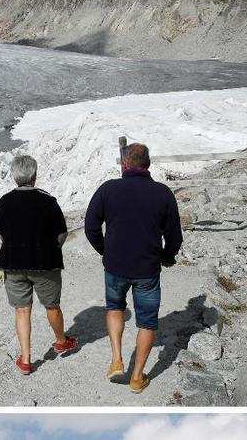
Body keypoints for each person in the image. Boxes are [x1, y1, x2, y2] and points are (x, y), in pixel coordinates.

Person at [84, 143, 183, 393]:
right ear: (147, 165)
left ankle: (117, 359)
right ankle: (137, 377)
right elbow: (174, 236)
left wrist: (105, 251)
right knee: (147, 322)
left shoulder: (108, 189)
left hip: (115, 266)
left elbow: (90, 227)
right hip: (147, 269)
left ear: (124, 164)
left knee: (115, 307)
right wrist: (166, 256)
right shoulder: (162, 193)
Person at [0, 155, 79, 375]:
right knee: (52, 306)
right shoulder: (47, 201)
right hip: (45, 264)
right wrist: (52, 249)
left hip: (13, 264)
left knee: (22, 310)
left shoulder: (4, 201)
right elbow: (61, 234)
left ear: (14, 176)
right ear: (34, 175)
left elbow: (1, 232)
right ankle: (61, 341)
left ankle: (26, 359)